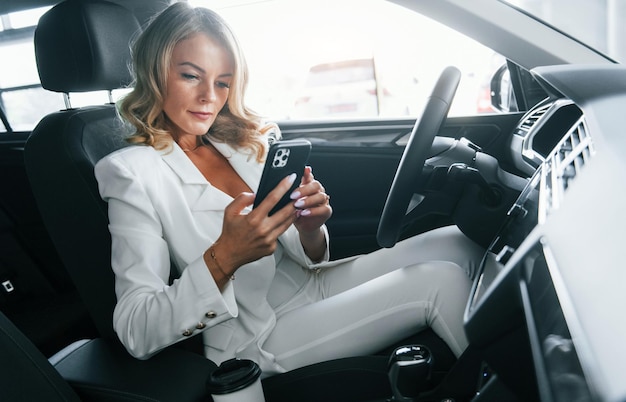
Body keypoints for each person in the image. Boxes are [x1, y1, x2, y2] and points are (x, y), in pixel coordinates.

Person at [94, 2, 484, 377]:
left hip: (314, 285)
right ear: (156, 72)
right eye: (191, 76)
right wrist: (225, 257)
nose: (209, 97)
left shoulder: (244, 141)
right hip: (255, 336)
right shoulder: (131, 174)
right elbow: (136, 331)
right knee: (440, 282)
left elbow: (308, 258)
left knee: (462, 242)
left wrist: (309, 226)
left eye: (223, 82)